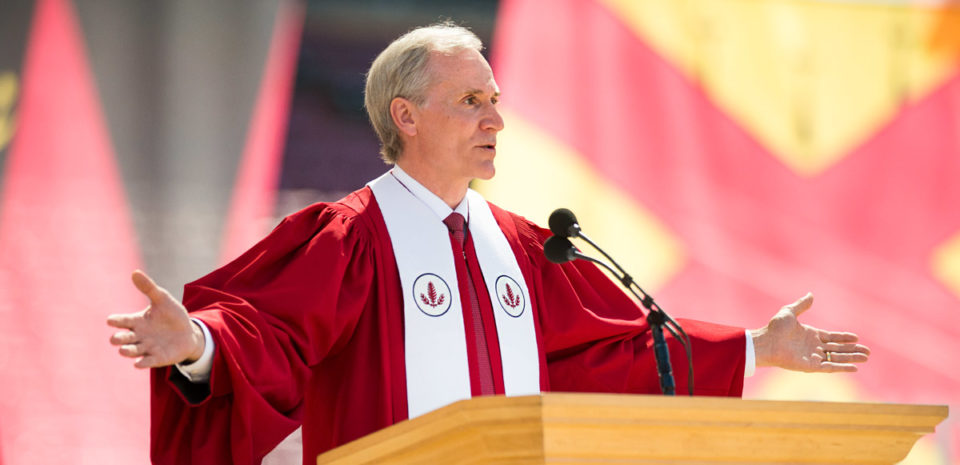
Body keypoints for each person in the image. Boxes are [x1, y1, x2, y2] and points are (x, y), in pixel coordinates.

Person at [107, 23, 870, 465]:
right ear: (404, 116)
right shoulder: (353, 236)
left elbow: (614, 355)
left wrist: (753, 347)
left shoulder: (529, 250)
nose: (495, 121)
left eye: (496, 102)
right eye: (471, 102)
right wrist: (199, 344)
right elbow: (268, 329)